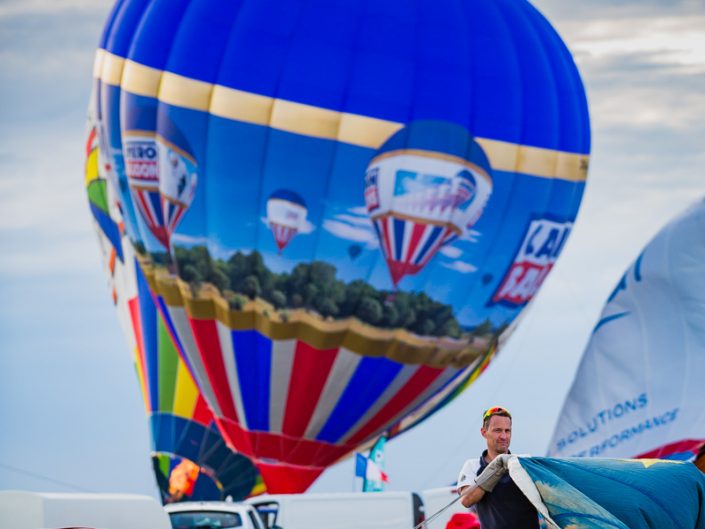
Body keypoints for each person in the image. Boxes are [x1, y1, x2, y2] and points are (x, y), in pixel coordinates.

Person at [456, 406, 539, 529]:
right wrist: (496, 468)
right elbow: (466, 500)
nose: (504, 436)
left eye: (507, 431)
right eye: (498, 430)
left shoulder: (524, 461)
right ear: (484, 432)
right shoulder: (472, 466)